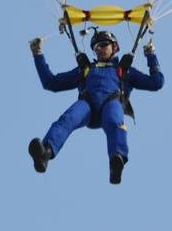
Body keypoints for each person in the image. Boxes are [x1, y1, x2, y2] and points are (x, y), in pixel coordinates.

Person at [26, 30, 164, 184]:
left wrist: (151, 55)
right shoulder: (85, 70)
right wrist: (37, 54)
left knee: (113, 120)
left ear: (115, 47)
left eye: (103, 44)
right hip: (88, 106)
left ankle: (116, 162)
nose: (98, 49)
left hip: (111, 102)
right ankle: (45, 153)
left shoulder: (125, 70)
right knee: (68, 118)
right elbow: (50, 82)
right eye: (96, 47)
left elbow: (156, 82)